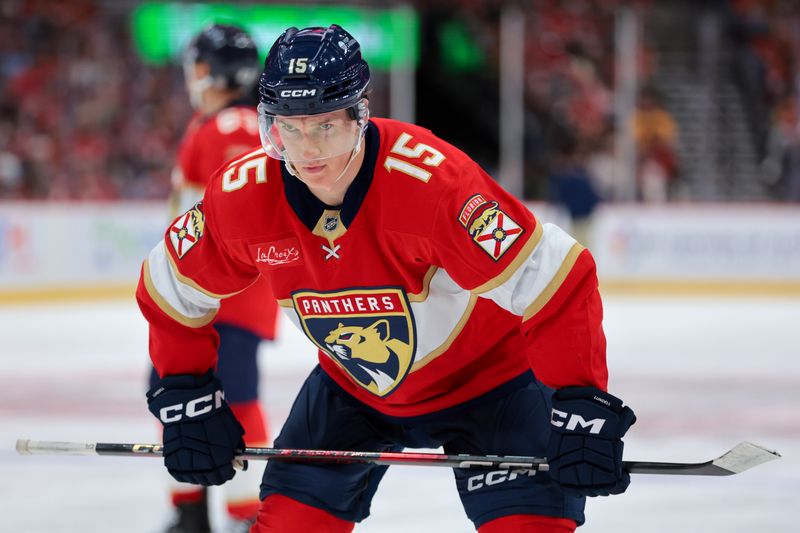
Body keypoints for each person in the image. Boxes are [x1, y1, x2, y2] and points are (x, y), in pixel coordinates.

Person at [137, 24, 636, 533]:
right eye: (289, 127)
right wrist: (184, 391)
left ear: (360, 114)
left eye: (325, 125)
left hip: (491, 383)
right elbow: (169, 282)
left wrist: (579, 402)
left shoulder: (433, 184)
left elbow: (556, 273)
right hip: (352, 389)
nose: (307, 150)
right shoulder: (244, 193)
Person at [148, 24, 280, 533]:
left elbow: (233, 214)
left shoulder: (232, 128)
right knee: (178, 389)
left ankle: (241, 516)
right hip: (209, 290)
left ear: (209, 71)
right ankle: (194, 509)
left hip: (222, 290)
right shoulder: (221, 123)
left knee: (229, 394)